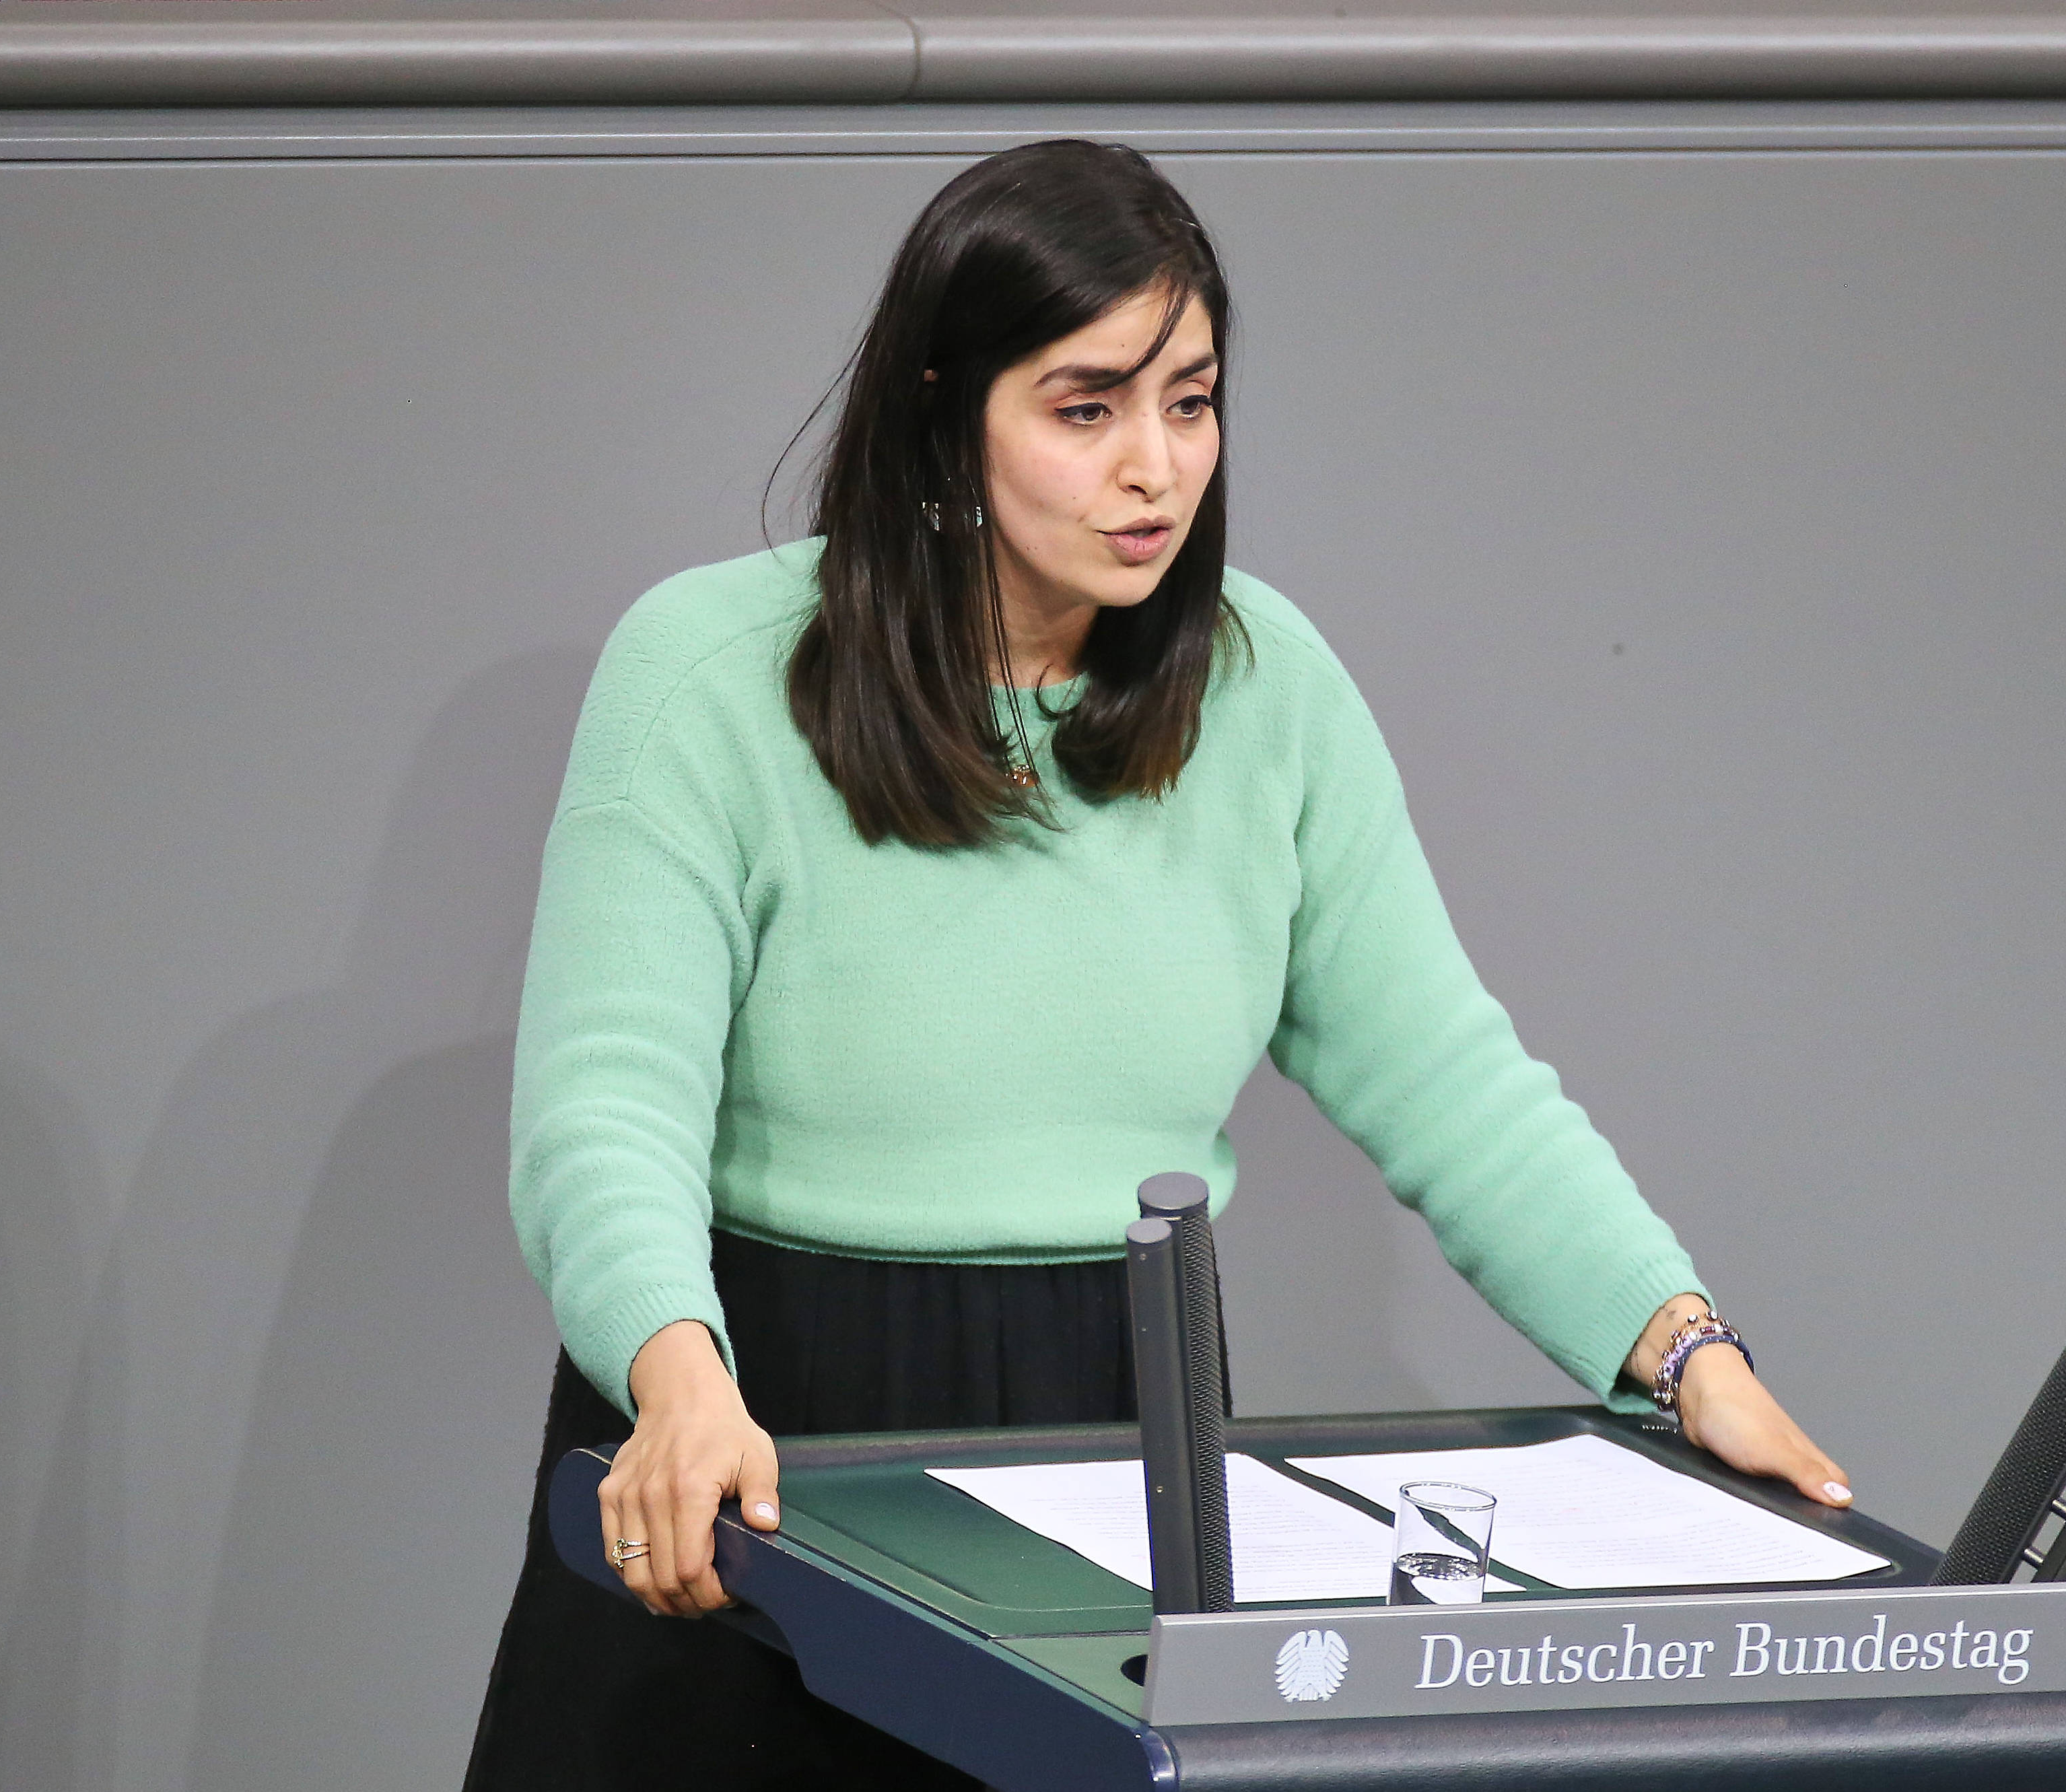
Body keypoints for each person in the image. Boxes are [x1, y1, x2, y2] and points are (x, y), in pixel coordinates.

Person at [464, 137, 1849, 1790]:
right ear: (939, 409)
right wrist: (671, 1374)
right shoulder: (704, 675)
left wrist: (1686, 1346)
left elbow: (1453, 1080)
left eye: (1188, 402)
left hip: (1119, 1430)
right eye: (1085, 406)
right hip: (754, 1416)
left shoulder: (1271, 692)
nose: (1154, 468)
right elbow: (603, 1106)